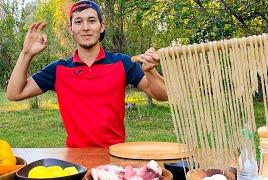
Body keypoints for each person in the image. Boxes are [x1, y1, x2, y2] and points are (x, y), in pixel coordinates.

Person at [6, 0, 168, 147]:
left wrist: (150, 71)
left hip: (115, 156)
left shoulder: (123, 63)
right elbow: (14, 93)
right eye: (78, 22)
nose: (85, 27)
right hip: (74, 160)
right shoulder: (58, 70)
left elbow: (164, 94)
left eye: (91, 21)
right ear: (71, 29)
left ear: (101, 26)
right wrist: (26, 53)